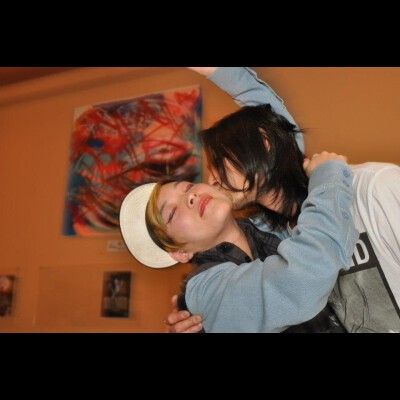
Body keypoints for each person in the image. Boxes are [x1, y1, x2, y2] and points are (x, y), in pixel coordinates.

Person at [166, 67, 400, 333]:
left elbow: (273, 120)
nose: (212, 181)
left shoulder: (375, 187)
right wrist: (199, 317)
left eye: (219, 163)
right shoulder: (271, 239)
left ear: (264, 142)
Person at [120, 144, 358, 332]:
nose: (190, 197)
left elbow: (277, 140)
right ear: (181, 252)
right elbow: (303, 279)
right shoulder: (205, 292)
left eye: (187, 187)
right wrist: (329, 177)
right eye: (172, 213)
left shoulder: (267, 226)